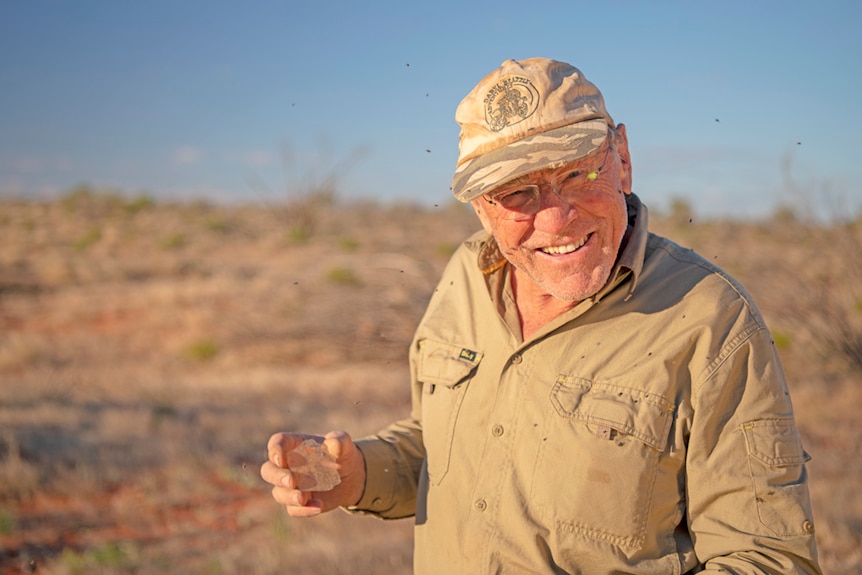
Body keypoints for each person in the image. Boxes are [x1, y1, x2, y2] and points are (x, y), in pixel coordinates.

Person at [261, 57, 822, 574]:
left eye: (578, 174)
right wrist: (359, 473)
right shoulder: (465, 278)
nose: (555, 220)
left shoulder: (710, 319)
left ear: (622, 158)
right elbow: (447, 447)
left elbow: (768, 556)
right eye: (518, 193)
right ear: (481, 208)